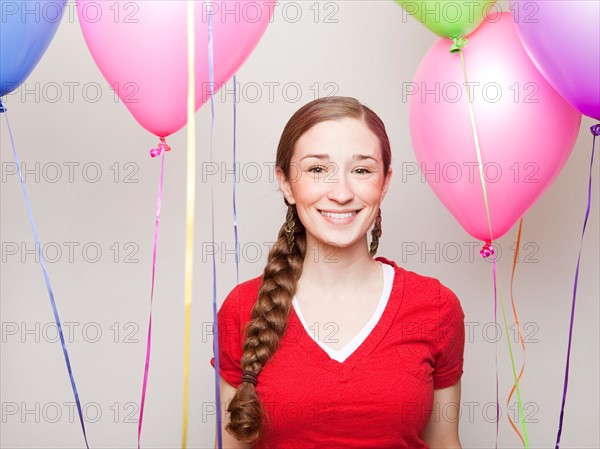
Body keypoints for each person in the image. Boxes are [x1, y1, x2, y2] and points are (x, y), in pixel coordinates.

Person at [211, 96, 465, 448]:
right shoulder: (241, 308)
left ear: (385, 182)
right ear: (285, 183)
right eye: (317, 170)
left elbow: (444, 443)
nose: (342, 193)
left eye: (361, 170)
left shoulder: (436, 306)